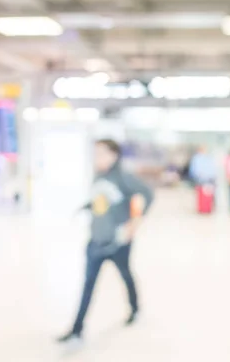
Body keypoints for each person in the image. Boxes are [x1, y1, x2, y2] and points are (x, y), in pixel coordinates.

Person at [58, 139, 154, 344]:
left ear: (114, 155)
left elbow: (148, 193)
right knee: (88, 285)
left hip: (118, 243)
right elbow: (101, 201)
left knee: (125, 275)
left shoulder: (124, 177)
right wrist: (86, 207)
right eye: (95, 153)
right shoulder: (97, 176)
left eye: (101, 153)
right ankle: (77, 329)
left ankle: (135, 308)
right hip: (96, 242)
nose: (97, 157)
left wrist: (134, 224)